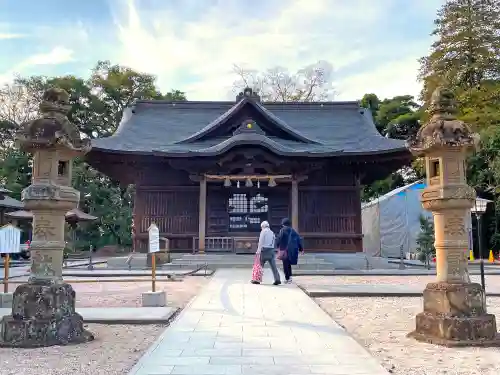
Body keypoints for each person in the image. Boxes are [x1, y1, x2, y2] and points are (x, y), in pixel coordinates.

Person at [251, 221, 281, 285]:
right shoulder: (272, 232)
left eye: (261, 227)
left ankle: (257, 279)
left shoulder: (263, 232)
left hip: (264, 250)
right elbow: (273, 242)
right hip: (271, 250)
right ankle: (277, 279)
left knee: (260, 266)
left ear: (263, 226)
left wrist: (258, 251)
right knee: (274, 267)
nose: (261, 228)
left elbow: (260, 242)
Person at [276, 218, 304, 283]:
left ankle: (287, 278)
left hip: (285, 250)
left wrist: (277, 246)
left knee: (285, 264)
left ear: (283, 224)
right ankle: (290, 277)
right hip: (292, 250)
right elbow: (298, 240)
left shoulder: (282, 230)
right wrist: (301, 249)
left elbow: (279, 239)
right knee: (288, 264)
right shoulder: (293, 231)